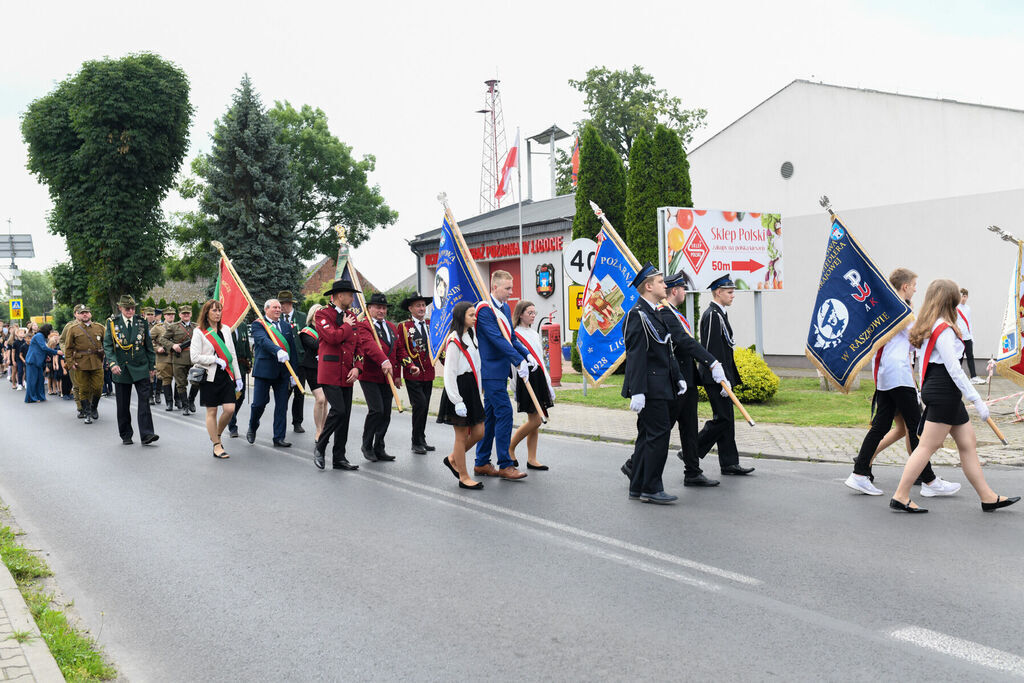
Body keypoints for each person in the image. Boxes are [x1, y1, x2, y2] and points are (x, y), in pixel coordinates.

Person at [890, 279, 1019, 513]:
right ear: (951, 300)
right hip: (945, 391)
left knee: (967, 444)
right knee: (928, 446)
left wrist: (923, 391)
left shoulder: (928, 324)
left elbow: (923, 363)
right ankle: (900, 495)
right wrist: (976, 399)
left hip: (940, 390)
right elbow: (954, 369)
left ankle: (987, 497)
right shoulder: (943, 329)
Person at [846, 268, 960, 497]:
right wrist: (940, 323)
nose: (916, 289)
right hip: (898, 375)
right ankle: (929, 481)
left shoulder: (889, 307)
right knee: (916, 426)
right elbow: (917, 334)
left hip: (888, 374)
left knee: (882, 425)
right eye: (914, 285)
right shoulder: (899, 309)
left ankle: (859, 473)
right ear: (905, 286)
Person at [622, 272, 729, 486]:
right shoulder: (663, 314)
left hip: (684, 379)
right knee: (657, 430)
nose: (685, 292)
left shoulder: (671, 314)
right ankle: (635, 467)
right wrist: (712, 362)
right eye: (682, 288)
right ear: (675, 290)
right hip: (668, 382)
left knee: (688, 427)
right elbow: (682, 343)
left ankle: (692, 471)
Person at [622, 264, 684, 504]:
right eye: (660, 282)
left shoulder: (655, 312)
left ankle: (638, 486)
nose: (665, 285)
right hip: (650, 388)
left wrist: (677, 376)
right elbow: (636, 355)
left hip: (661, 384)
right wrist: (637, 391)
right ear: (648, 286)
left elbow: (666, 349)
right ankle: (652, 487)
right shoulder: (637, 315)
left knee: (648, 436)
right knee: (658, 437)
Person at [473, 270, 531, 481]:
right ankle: (505, 464)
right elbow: (497, 339)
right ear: (494, 287)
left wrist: (526, 355)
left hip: (500, 371)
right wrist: (517, 361)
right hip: (489, 370)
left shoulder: (505, 308)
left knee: (490, 417)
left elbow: (511, 337)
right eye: (507, 288)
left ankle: (481, 462)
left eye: (511, 287)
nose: (510, 292)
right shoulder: (485, 310)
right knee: (505, 413)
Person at [696, 274, 755, 476]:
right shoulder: (712, 315)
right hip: (715, 377)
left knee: (727, 419)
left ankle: (729, 463)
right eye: (729, 292)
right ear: (718, 292)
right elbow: (712, 349)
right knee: (722, 419)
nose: (733, 295)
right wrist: (720, 379)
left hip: (722, 376)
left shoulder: (720, 314)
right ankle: (692, 449)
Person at [313, 278, 362, 471]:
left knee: (345, 416)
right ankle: (321, 445)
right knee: (339, 411)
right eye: (350, 294)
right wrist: (347, 326)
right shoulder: (322, 314)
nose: (352, 298)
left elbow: (359, 345)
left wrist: (357, 367)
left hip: (347, 373)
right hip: (330, 372)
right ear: (339, 296)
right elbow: (332, 337)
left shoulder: (352, 317)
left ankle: (339, 457)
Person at [357, 293, 410, 462]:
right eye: (378, 307)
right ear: (369, 308)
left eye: (384, 308)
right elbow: (369, 347)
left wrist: (407, 367)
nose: (381, 310)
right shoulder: (364, 325)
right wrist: (383, 360)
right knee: (376, 410)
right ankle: (366, 445)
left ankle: (379, 446)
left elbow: (399, 349)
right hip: (370, 375)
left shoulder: (391, 327)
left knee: (386, 413)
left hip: (388, 376)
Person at [438, 301, 485, 490]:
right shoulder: (453, 340)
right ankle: (463, 477)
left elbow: (478, 365)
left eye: (475, 315)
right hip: (458, 389)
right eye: (471, 315)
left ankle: (452, 458)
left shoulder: (472, 336)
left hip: (472, 388)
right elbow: (449, 372)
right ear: (461, 317)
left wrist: (479, 389)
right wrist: (456, 400)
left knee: (479, 431)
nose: (475, 318)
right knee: (460, 436)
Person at [102, 295, 159, 445]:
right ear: (120, 308)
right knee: (123, 404)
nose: (130, 311)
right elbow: (108, 345)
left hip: (141, 366)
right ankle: (126, 434)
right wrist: (113, 363)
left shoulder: (141, 322)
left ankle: (147, 434)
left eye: (133, 308)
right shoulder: (113, 323)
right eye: (127, 308)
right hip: (122, 368)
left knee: (145, 400)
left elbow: (148, 345)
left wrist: (152, 366)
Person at [191, 300, 244, 459]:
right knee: (212, 411)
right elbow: (194, 357)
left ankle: (217, 435)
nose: (217, 313)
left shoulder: (226, 329)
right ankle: (216, 445)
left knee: (229, 409)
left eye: (219, 310)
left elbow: (232, 354)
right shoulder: (199, 332)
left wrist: (238, 377)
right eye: (214, 310)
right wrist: (213, 359)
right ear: (206, 312)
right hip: (209, 376)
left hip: (226, 375)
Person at [509, 300, 555, 470]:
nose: (533, 316)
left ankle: (532, 458)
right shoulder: (515, 334)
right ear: (520, 314)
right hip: (525, 379)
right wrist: (514, 385)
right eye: (530, 312)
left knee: (534, 421)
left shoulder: (535, 334)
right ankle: (510, 448)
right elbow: (514, 363)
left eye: (534, 313)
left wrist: (548, 383)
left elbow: (541, 360)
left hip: (539, 378)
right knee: (535, 421)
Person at [247, 299, 298, 448]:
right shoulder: (258, 324)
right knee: (259, 404)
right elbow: (262, 340)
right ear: (266, 309)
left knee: (282, 405)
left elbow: (292, 351)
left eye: (279, 308)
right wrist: (277, 351)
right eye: (274, 307)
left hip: (282, 373)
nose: (278, 310)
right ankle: (253, 425)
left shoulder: (286, 326)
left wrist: (293, 374)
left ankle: (279, 437)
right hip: (264, 370)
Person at [398, 293, 433, 454]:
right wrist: (408, 365)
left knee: (425, 407)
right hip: (413, 373)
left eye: (423, 305)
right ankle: (415, 441)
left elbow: (436, 346)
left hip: (429, 373)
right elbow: (401, 350)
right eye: (418, 306)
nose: (421, 308)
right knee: (420, 404)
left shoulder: (430, 324)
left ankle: (422, 438)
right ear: (410, 308)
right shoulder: (404, 327)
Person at [63, 304, 106, 424]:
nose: (85, 314)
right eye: (82, 313)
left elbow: (107, 344)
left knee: (98, 388)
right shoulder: (73, 329)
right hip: (80, 363)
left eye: (87, 312)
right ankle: (86, 413)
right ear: (79, 315)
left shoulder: (99, 328)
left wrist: (106, 358)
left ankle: (94, 407)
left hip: (97, 362)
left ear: (90, 314)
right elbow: (68, 349)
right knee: (83, 389)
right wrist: (71, 363)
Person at [279, 290, 307, 434]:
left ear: (289, 304)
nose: (281, 306)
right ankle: (280, 420)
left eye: (283, 304)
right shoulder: (278, 320)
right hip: (285, 363)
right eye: (280, 304)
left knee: (299, 393)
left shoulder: (302, 318)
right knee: (284, 393)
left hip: (301, 362)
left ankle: (297, 422)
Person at [299, 304, 328, 441]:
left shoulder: (327, 329)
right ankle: (318, 430)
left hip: (326, 367)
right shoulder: (306, 331)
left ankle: (324, 429)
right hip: (312, 368)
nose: (320, 314)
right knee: (320, 399)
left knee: (326, 400)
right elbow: (316, 345)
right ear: (312, 315)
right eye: (318, 312)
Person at [160, 305, 195, 414]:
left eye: (188, 313)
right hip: (179, 358)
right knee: (181, 383)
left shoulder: (196, 327)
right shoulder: (174, 327)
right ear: (180, 315)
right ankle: (185, 406)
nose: (186, 315)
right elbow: (163, 339)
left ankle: (191, 400)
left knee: (197, 381)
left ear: (191, 314)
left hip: (194, 358)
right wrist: (173, 345)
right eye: (183, 313)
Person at [226, 319, 252, 438]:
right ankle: (232, 426)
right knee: (231, 396)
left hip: (241, 366)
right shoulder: (225, 325)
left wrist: (249, 361)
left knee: (241, 396)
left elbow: (246, 345)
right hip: (228, 366)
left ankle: (230, 416)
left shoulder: (242, 325)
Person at [24, 324, 61, 403]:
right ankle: (31, 398)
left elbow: (42, 349)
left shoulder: (42, 337)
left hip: (39, 361)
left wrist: (47, 355)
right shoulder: (39, 336)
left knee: (40, 380)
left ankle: (40, 396)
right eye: (50, 331)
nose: (51, 332)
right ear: (47, 330)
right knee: (32, 380)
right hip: (33, 361)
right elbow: (43, 348)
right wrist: (56, 352)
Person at [956, 288, 984, 384]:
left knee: (970, 357)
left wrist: (971, 336)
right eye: (961, 296)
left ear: (967, 297)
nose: (963, 298)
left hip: (967, 337)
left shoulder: (968, 308)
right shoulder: (955, 308)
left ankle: (973, 376)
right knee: (959, 357)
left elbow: (969, 322)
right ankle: (956, 376)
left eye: (964, 296)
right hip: (959, 337)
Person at [153, 308, 176, 410]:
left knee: (180, 380)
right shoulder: (158, 328)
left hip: (177, 358)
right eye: (168, 314)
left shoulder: (178, 327)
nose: (171, 316)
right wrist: (157, 348)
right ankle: (169, 402)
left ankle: (178, 400)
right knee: (166, 380)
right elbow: (147, 340)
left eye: (172, 314)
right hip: (164, 358)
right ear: (164, 316)